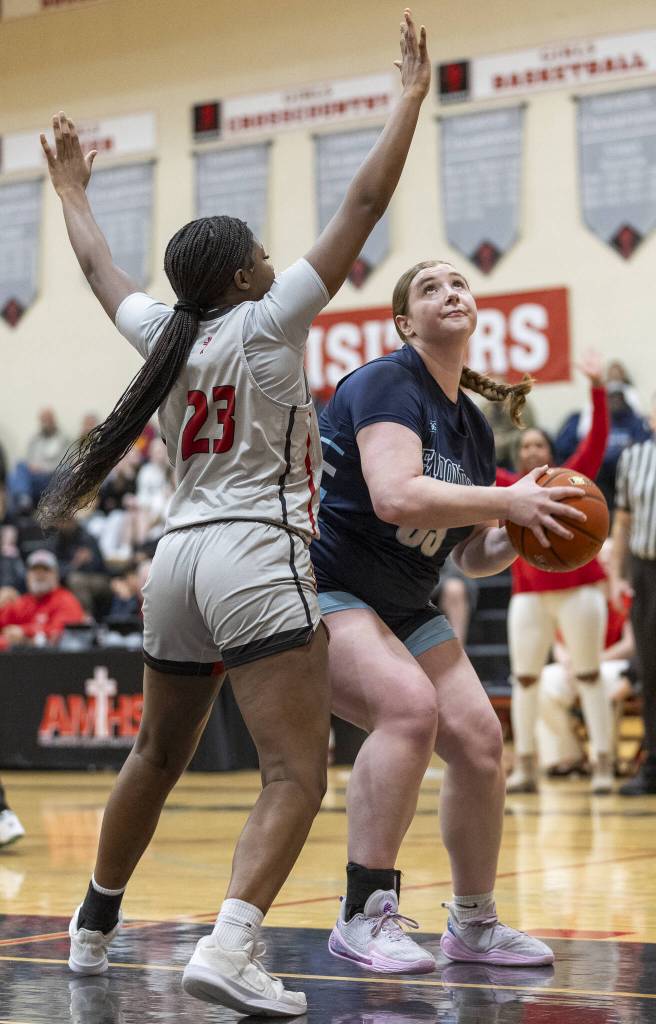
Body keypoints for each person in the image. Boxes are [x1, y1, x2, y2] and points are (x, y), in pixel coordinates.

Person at [38, 11, 431, 1015]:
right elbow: (362, 199)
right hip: (258, 550)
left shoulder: (164, 337)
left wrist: (73, 190)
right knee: (296, 772)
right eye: (258, 249)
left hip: (176, 563)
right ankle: (231, 943)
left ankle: (90, 925)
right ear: (245, 275)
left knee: (154, 754)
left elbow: (95, 270)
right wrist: (406, 103)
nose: (270, 253)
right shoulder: (267, 321)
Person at [311, 258, 586, 973]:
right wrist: (506, 501)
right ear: (405, 323)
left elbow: (468, 557)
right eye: (429, 288)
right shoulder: (382, 382)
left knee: (480, 741)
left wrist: (524, 534)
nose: (449, 292)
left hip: (403, 599)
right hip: (324, 584)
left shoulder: (473, 427)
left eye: (458, 283)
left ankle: (472, 924)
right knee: (409, 710)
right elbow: (396, 497)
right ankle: (361, 914)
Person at [499, 353, 613, 794]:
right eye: (526, 447)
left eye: (539, 447)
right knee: (524, 678)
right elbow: (470, 474)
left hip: (580, 589)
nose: (532, 452)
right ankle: (525, 765)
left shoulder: (572, 478)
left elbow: (598, 440)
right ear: (519, 454)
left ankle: (603, 763)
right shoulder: (507, 487)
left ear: (550, 454)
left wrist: (597, 389)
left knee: (588, 673)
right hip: (528, 594)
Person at [611, 395, 656, 795]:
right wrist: (614, 577)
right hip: (647, 571)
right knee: (650, 672)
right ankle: (653, 767)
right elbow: (622, 523)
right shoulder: (634, 457)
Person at [0, 549, 85, 650]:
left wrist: (24, 632)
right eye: (34, 570)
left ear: (56, 575)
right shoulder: (23, 602)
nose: (39, 575)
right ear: (27, 576)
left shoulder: (66, 600)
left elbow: (59, 634)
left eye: (45, 570)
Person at [7, 408, 70, 509]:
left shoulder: (63, 439)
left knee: (65, 469)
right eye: (44, 420)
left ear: (54, 420)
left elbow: (65, 462)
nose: (46, 423)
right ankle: (24, 499)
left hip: (52, 478)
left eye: (48, 419)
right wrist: (31, 466)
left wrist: (42, 468)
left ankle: (55, 502)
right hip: (35, 478)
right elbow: (28, 459)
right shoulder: (35, 439)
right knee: (19, 466)